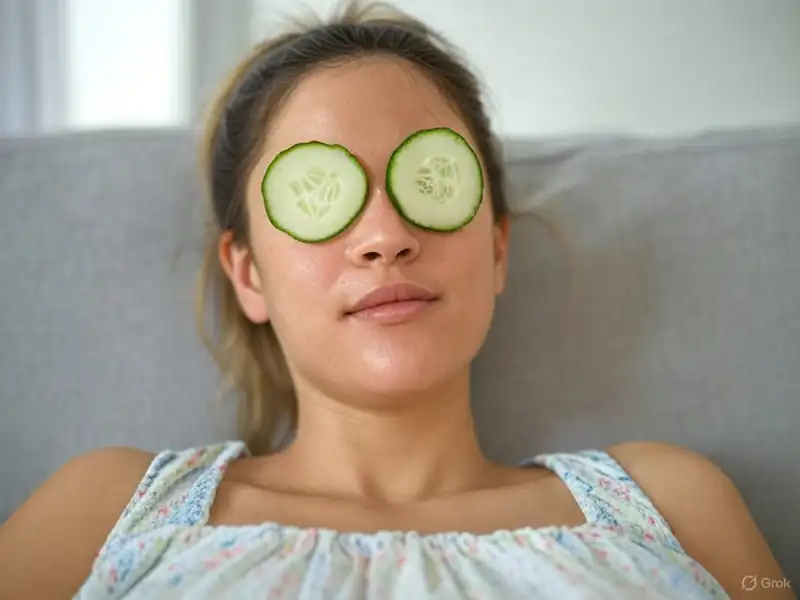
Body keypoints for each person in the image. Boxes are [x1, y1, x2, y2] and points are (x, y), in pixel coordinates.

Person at [0, 2, 791, 599]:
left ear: (496, 247)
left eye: (430, 183)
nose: (384, 233)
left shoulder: (674, 502)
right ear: (248, 275)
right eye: (320, 194)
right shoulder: (104, 510)